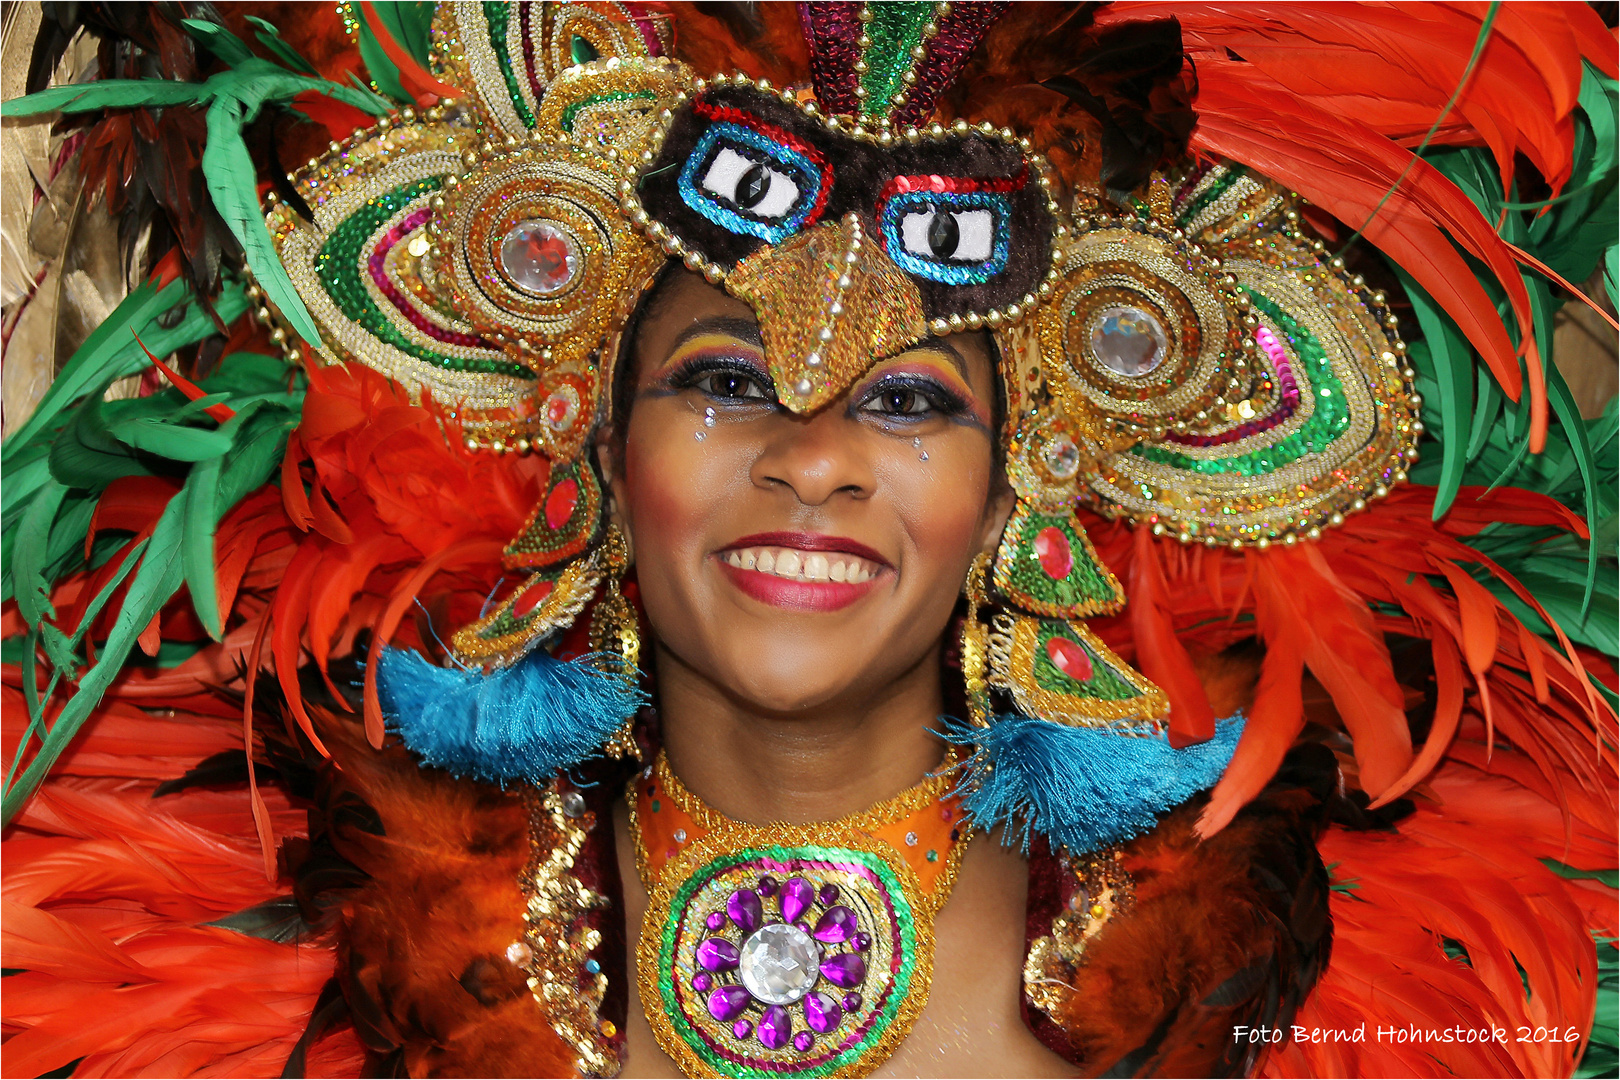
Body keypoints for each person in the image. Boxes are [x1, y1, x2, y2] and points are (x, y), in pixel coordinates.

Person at [1, 3, 1614, 1078]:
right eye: (724, 382)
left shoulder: (1327, 995)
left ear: (1025, 477)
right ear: (591, 434)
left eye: (910, 403)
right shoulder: (277, 945)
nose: (816, 457)